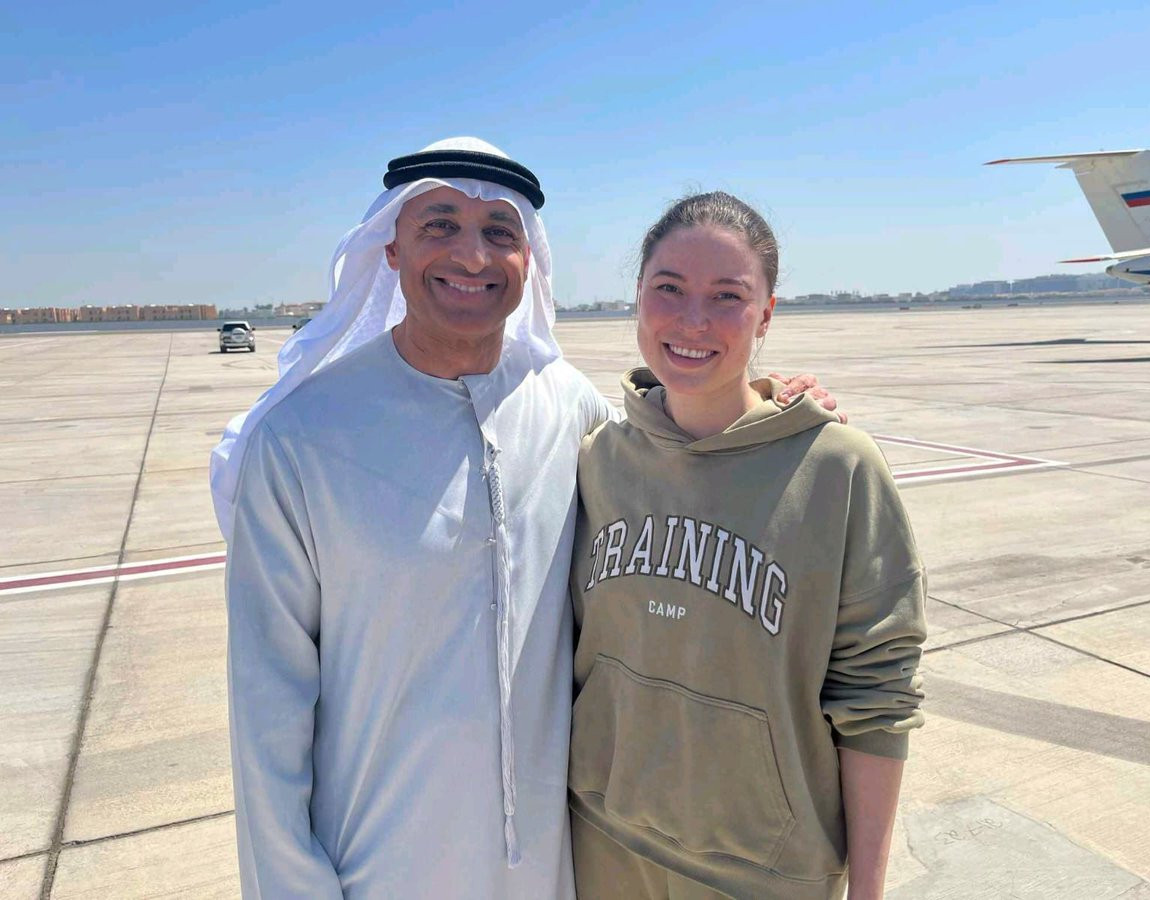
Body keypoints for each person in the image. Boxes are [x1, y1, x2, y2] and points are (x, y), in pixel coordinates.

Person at [212, 139, 839, 899]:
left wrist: (768, 406)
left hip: (547, 865)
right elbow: (267, 706)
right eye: (440, 225)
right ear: (390, 247)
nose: (472, 255)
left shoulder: (566, 405)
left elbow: (678, 457)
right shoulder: (302, 438)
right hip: (376, 862)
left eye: (499, 232)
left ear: (527, 258)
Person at [567, 192, 926, 900]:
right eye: (669, 288)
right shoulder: (597, 461)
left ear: (765, 315)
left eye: (727, 296)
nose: (693, 319)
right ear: (637, 297)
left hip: (764, 872)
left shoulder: (837, 469)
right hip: (600, 843)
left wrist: (868, 891)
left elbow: (877, 698)